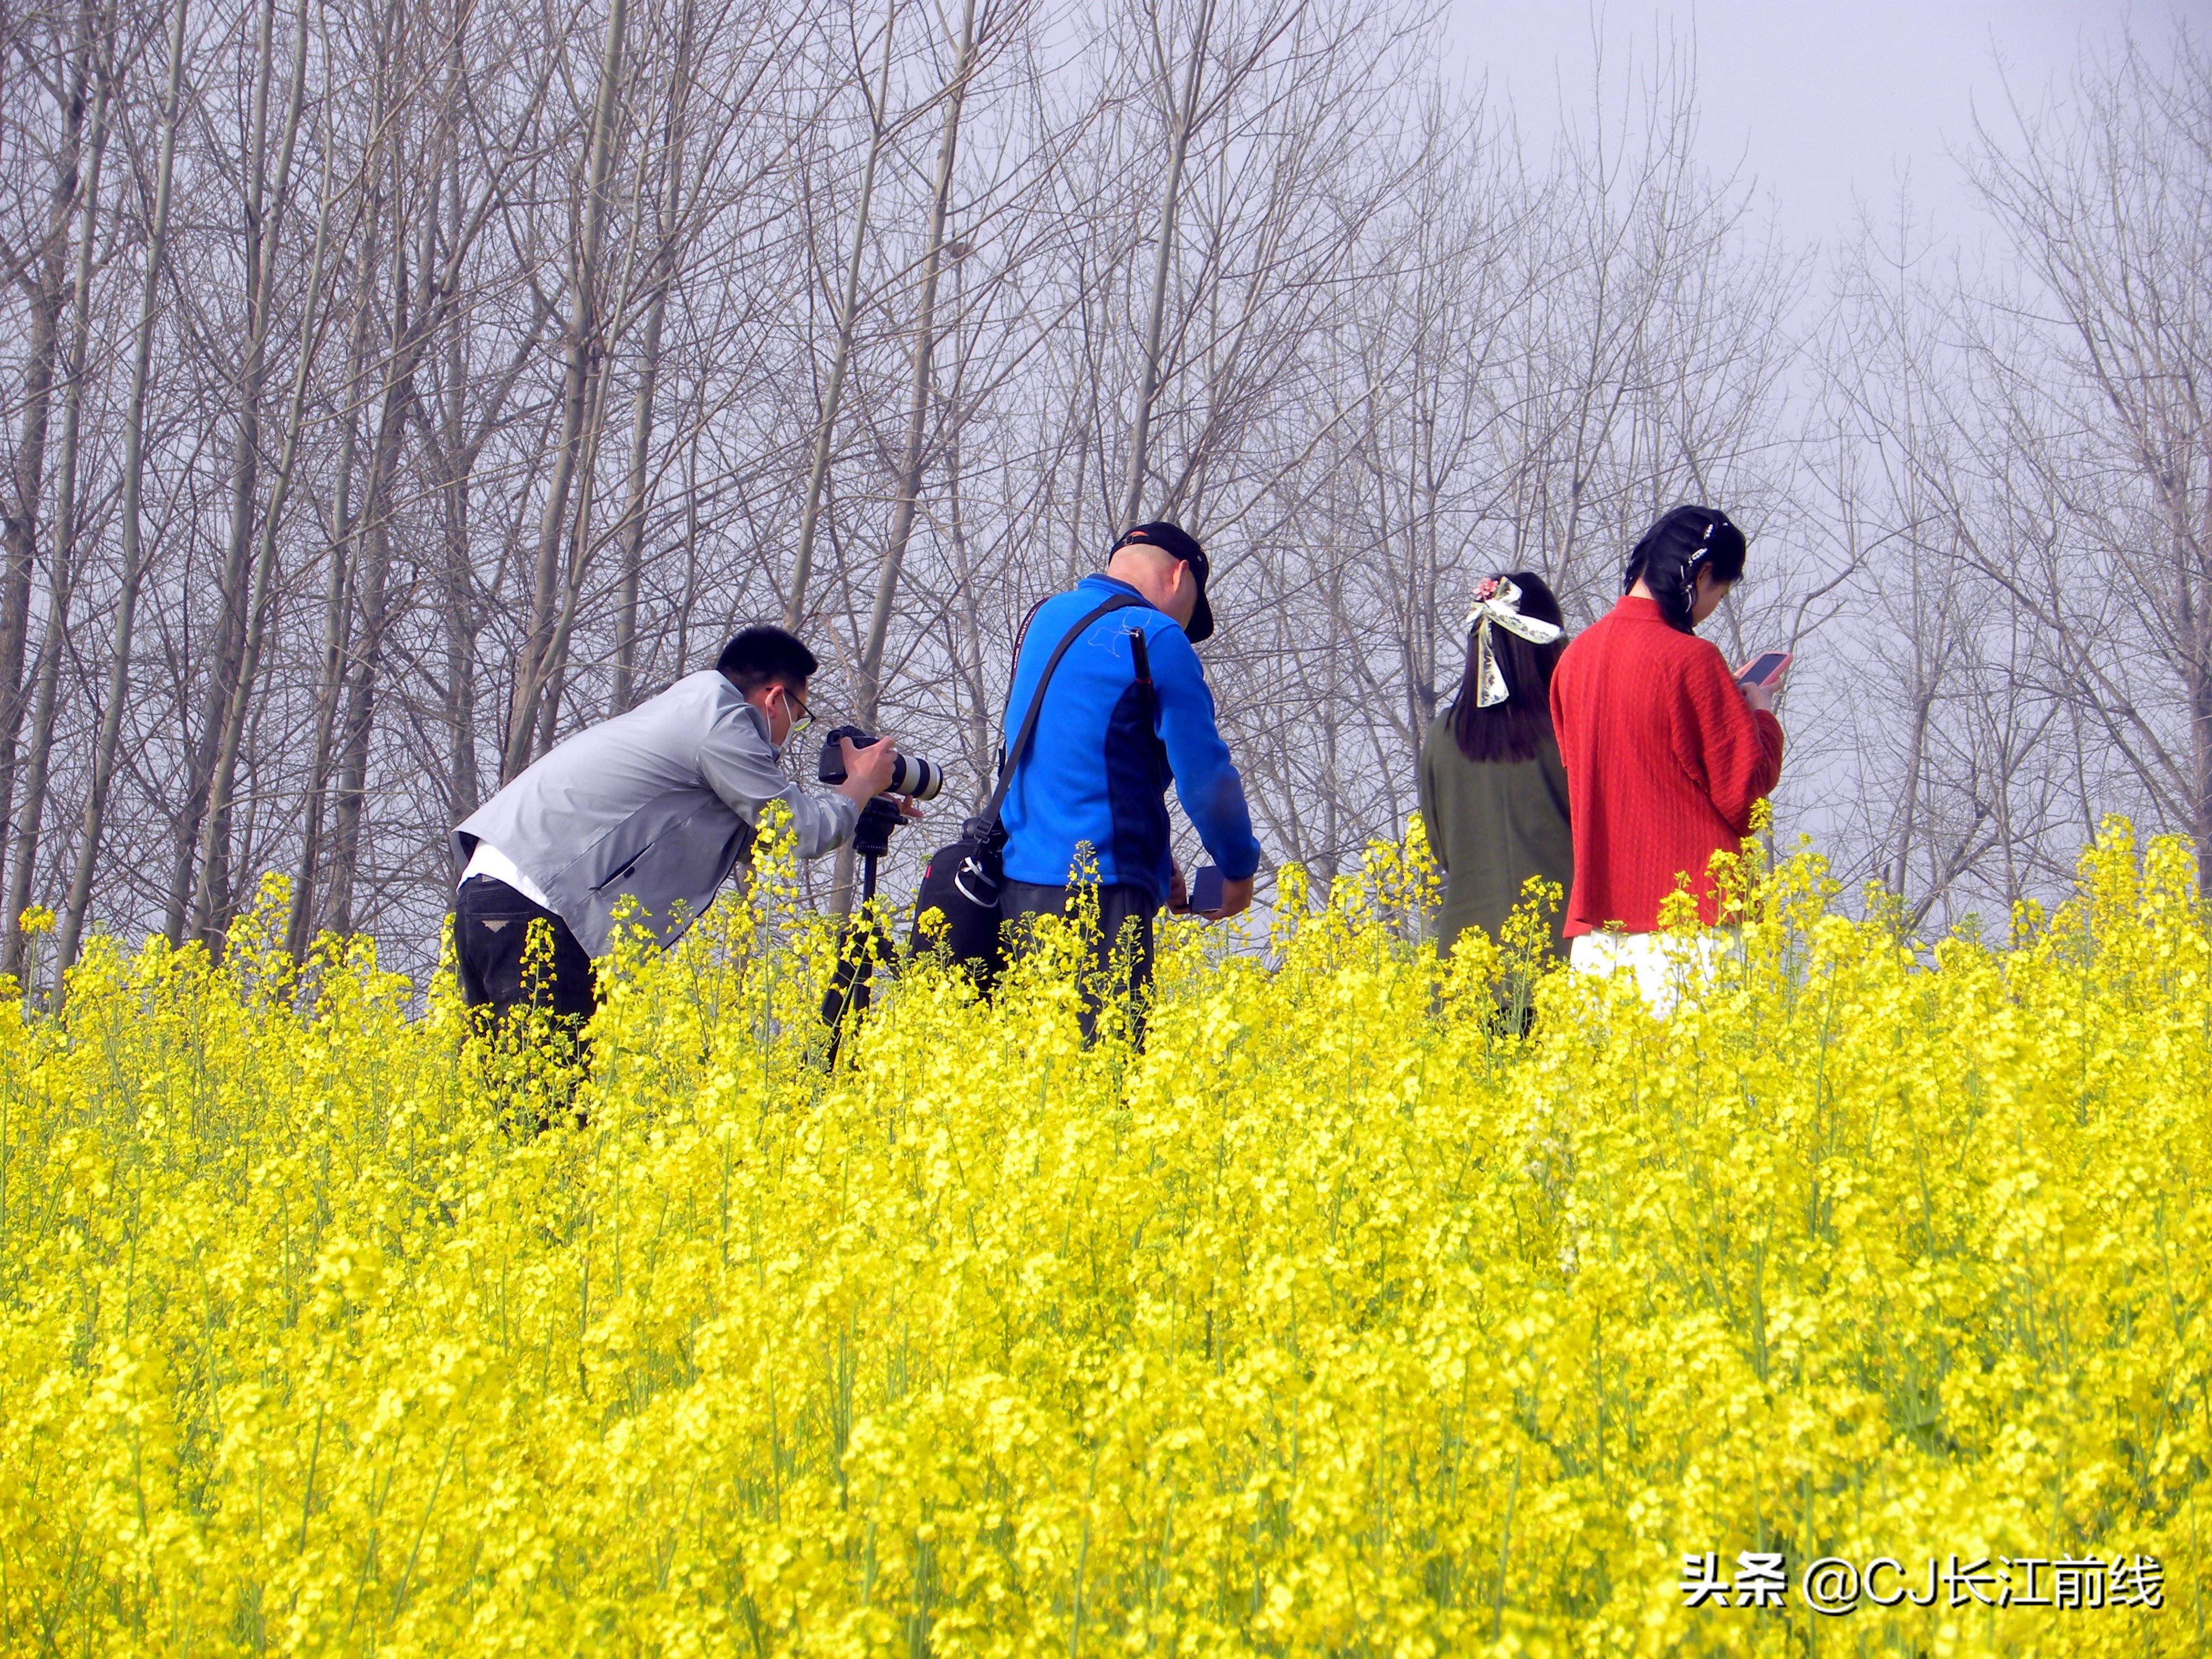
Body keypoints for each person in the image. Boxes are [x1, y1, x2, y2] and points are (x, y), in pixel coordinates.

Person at [448, 625, 899, 1037]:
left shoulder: (687, 708)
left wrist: (857, 801)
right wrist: (860, 783)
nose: (790, 732)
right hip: (543, 904)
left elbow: (753, 835)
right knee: (551, 1110)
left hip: (493, 891)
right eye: (798, 716)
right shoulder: (722, 718)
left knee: (523, 1104)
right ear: (774, 698)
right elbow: (799, 832)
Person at [997, 520, 1261, 1026]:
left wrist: (1156, 860)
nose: (1185, 629)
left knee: (1039, 1080)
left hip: (1016, 890)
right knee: (1107, 1077)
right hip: (1100, 899)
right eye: (1191, 616)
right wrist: (1237, 871)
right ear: (1180, 576)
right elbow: (1206, 781)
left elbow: (1072, 758)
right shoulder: (1157, 636)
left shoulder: (1044, 619)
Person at [1547, 505, 1785, 1007]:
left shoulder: (1573, 661)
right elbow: (1745, 795)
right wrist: (1761, 714)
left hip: (1599, 935)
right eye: (1720, 592)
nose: (1713, 606)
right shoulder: (1691, 661)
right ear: (1700, 576)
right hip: (1693, 930)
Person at [1417, 572, 1573, 960]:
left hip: (1467, 965)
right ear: (1547, 643)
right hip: (1563, 959)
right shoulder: (1570, 731)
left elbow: (1441, 849)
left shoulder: (1442, 737)